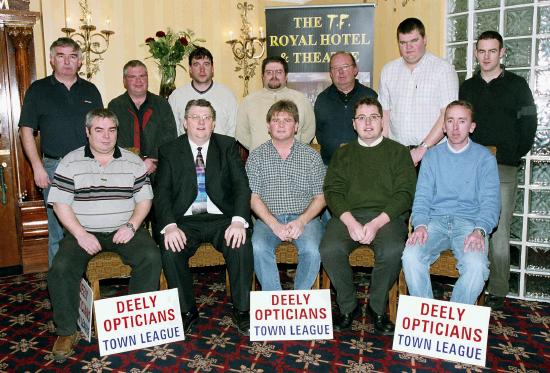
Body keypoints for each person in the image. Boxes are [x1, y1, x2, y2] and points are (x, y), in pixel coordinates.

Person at [47, 108, 161, 361]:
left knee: (151, 257)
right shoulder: (70, 161)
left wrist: (131, 226)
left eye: (111, 130)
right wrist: (79, 234)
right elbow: (60, 204)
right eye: (99, 130)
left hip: (125, 228)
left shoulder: (133, 162)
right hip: (83, 231)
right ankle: (66, 331)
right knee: (61, 267)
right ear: (87, 132)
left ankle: (136, 321)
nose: (106, 136)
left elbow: (145, 201)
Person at [154, 99, 253, 336]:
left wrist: (239, 220)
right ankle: (186, 310)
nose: (201, 122)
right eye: (195, 117)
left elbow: (241, 186)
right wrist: (169, 226)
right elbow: (162, 193)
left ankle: (242, 309)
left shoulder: (228, 145)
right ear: (185, 122)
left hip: (222, 218)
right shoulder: (169, 150)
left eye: (207, 117)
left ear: (214, 123)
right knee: (170, 249)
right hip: (185, 221)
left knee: (241, 244)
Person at [320, 97, 416, 335]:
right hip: (348, 216)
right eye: (361, 118)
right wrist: (350, 221)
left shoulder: (399, 152)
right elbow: (332, 191)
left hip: (387, 217)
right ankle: (347, 306)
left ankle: (377, 308)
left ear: (382, 121)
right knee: (329, 248)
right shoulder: (343, 154)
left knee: (393, 250)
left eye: (373, 117)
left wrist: (376, 223)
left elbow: (405, 194)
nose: (368, 123)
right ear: (354, 124)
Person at [459, 31, 537, 308]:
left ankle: (498, 289)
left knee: (499, 229)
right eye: (482, 51)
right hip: (471, 166)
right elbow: (460, 124)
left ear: (502, 52)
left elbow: (529, 126)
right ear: (476, 53)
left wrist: (512, 154)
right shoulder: (467, 87)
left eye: (493, 51)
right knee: (468, 223)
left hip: (503, 166)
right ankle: (470, 279)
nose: (487, 56)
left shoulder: (517, 85)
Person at [401, 100, 501, 305]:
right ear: (444, 127)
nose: (455, 127)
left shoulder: (484, 158)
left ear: (472, 127)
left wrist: (480, 230)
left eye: (462, 121)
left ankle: (452, 318)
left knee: (476, 266)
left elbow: (491, 202)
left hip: (470, 223)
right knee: (411, 256)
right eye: (450, 121)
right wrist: (420, 225)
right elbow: (422, 197)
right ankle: (425, 313)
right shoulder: (432, 157)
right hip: (434, 222)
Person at [18, 37, 103, 267]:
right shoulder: (38, 90)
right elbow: (26, 132)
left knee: (87, 228)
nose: (67, 61)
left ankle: (87, 286)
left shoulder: (91, 90)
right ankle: (61, 289)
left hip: (88, 168)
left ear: (80, 62)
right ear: (52, 60)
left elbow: (100, 130)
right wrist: (37, 167)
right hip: (54, 170)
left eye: (72, 56)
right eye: (61, 56)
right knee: (58, 233)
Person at [246, 100, 326, 290]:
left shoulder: (311, 156)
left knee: (312, 250)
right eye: (275, 120)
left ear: (296, 126)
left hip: (305, 218)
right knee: (258, 247)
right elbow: (253, 197)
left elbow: (321, 196)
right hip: (268, 219)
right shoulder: (256, 156)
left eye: (287, 120)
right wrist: (274, 224)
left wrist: (302, 221)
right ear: (268, 126)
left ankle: (298, 300)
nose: (281, 124)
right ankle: (276, 302)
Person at [379, 17, 458, 166]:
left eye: (414, 41)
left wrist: (422, 149)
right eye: (403, 43)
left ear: (425, 40)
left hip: (434, 154)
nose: (408, 47)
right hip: (397, 155)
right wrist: (385, 150)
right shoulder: (388, 71)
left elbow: (447, 115)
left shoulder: (443, 70)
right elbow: (385, 114)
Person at [108, 60, 177, 179]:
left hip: (158, 172)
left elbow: (170, 138)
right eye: (132, 77)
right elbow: (114, 139)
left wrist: (153, 162)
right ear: (124, 81)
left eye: (142, 76)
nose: (138, 81)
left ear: (147, 78)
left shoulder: (161, 104)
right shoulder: (115, 106)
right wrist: (138, 161)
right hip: (125, 171)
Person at [236, 56, 315, 151]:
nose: (274, 76)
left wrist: (295, 151)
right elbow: (241, 133)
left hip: (294, 161)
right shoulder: (248, 101)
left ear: (286, 76)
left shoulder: (301, 100)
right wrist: (258, 149)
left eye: (279, 72)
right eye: (269, 72)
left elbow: (309, 130)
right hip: (260, 161)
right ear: (262, 76)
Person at [314, 51, 378, 164]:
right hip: (330, 165)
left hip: (365, 162)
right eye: (335, 68)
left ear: (355, 70)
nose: (340, 71)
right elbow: (318, 131)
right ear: (331, 74)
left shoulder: (370, 96)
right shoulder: (322, 99)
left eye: (345, 66)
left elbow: (378, 129)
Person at [169, 47, 238, 137]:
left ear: (212, 68)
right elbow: (173, 132)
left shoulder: (227, 96)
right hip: (185, 150)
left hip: (220, 150)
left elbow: (233, 130)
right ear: (190, 69)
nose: (202, 69)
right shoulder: (176, 96)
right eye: (196, 64)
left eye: (206, 64)